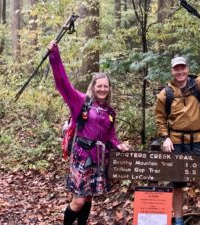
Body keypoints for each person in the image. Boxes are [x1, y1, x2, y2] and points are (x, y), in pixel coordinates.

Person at [48, 40, 129, 225]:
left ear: (109, 89)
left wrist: (120, 145)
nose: (102, 89)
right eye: (99, 86)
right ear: (93, 87)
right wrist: (55, 57)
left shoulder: (110, 111)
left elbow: (111, 136)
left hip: (99, 159)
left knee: (89, 198)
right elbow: (63, 84)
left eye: (105, 86)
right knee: (78, 200)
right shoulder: (81, 102)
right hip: (82, 156)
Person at [154, 27, 200, 225]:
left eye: (182, 67)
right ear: (172, 71)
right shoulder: (165, 94)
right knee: (177, 184)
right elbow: (160, 118)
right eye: (176, 68)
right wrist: (165, 137)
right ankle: (178, 220)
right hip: (177, 142)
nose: (180, 71)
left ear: (187, 68)